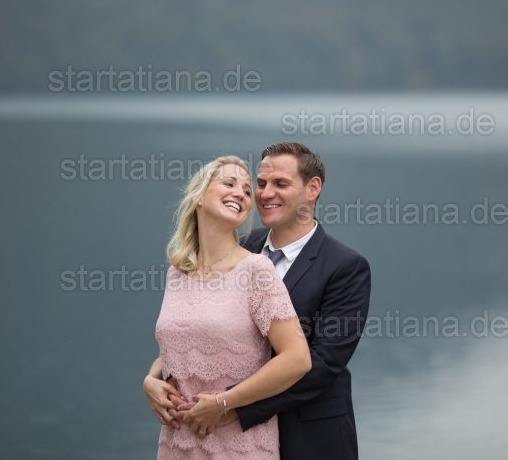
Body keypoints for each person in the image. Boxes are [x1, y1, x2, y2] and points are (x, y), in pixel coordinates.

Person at [156, 143, 372, 460]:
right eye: (261, 183)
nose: (265, 194)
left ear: (312, 188)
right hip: (220, 432)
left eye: (280, 184)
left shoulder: (345, 266)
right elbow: (202, 328)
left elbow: (323, 364)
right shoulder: (241, 247)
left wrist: (234, 406)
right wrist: (153, 379)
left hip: (309, 436)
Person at [143, 155, 311, 460]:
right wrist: (151, 381)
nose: (241, 194)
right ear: (198, 196)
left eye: (246, 190)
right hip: (177, 444)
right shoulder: (177, 273)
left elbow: (297, 359)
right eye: (229, 183)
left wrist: (224, 402)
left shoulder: (256, 270)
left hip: (237, 445)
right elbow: (185, 344)